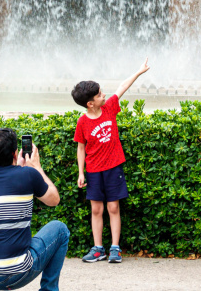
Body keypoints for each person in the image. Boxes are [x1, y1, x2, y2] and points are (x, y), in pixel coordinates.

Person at [0, 128, 68, 291]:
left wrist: (19, 168)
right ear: (15, 153)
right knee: (60, 229)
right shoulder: (28, 174)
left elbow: (6, 185)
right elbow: (54, 199)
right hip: (15, 274)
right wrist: (37, 167)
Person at [71, 58, 150, 264]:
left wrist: (139, 71)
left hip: (113, 167)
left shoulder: (109, 108)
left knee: (113, 207)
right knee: (96, 209)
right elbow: (80, 147)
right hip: (94, 171)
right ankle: (98, 249)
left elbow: (122, 87)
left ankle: (115, 248)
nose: (103, 94)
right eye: (99, 94)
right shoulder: (82, 122)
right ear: (90, 103)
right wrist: (81, 172)